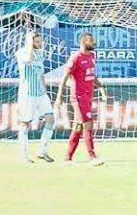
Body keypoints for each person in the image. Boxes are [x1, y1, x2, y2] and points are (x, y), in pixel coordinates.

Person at [54, 32, 107, 165]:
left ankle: (67, 158)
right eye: (91, 41)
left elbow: (92, 76)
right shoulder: (75, 58)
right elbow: (65, 77)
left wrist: (101, 88)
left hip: (88, 96)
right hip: (78, 97)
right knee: (88, 124)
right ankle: (92, 157)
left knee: (78, 126)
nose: (94, 43)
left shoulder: (91, 57)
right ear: (83, 42)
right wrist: (59, 97)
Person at [15, 30, 55, 164]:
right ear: (31, 42)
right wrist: (30, 46)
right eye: (37, 41)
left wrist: (45, 89)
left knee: (50, 119)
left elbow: (41, 73)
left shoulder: (40, 54)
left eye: (40, 41)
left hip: (40, 93)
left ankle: (42, 152)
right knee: (25, 124)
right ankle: (23, 155)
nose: (40, 43)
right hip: (28, 94)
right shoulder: (22, 53)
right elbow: (28, 60)